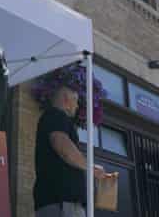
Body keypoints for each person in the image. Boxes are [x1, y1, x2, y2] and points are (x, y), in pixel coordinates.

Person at [34, 85, 109, 217]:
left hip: (57, 202)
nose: (77, 106)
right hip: (62, 203)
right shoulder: (56, 115)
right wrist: (91, 168)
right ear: (66, 99)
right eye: (76, 101)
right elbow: (62, 146)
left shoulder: (52, 117)